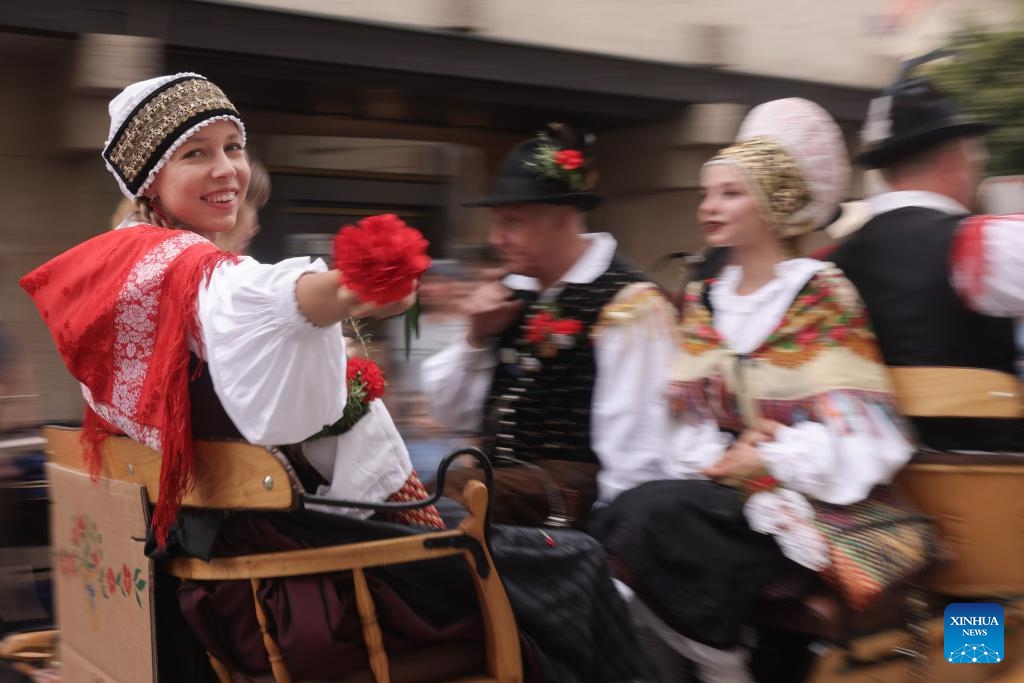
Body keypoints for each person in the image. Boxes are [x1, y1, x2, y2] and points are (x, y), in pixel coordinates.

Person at [21, 74, 654, 683]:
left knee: (530, 539)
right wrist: (352, 286)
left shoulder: (128, 265)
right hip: (305, 583)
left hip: (241, 569)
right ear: (149, 180)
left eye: (234, 147)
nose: (227, 170)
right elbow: (270, 296)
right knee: (576, 562)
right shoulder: (187, 266)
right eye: (196, 153)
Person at [591, 98, 928, 682]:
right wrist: (725, 456)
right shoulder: (706, 299)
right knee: (626, 516)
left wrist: (770, 455)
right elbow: (687, 420)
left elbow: (866, 432)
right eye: (707, 193)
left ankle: (727, 668)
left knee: (650, 515)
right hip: (727, 498)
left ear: (772, 206)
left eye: (730, 193)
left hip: (822, 500)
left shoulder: (822, 292)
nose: (709, 207)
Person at [422, 123, 677, 529]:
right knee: (412, 491)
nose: (498, 238)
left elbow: (637, 444)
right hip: (501, 484)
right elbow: (450, 412)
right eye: (497, 222)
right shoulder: (508, 293)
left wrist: (614, 547)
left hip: (575, 494)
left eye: (513, 222)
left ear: (561, 218)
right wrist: (475, 336)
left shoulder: (629, 302)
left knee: (440, 496)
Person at [830, 55, 1023, 452]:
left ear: (887, 173)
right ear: (952, 163)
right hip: (995, 479)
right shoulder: (980, 244)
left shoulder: (828, 264)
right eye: (975, 164)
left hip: (881, 481)